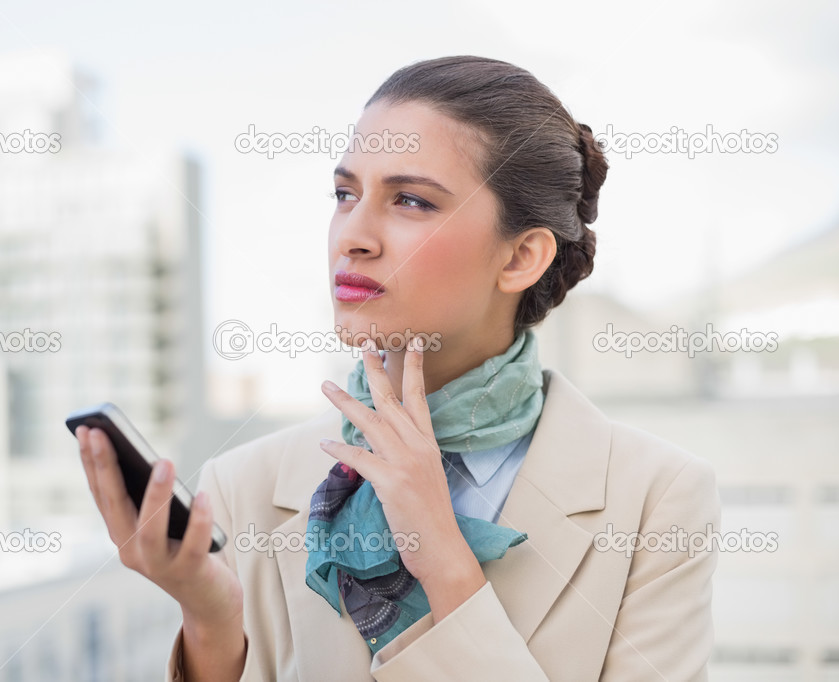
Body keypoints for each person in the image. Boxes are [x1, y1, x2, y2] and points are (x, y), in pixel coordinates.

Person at [75, 55, 720, 681]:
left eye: (410, 200)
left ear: (522, 256)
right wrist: (212, 624)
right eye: (344, 192)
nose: (353, 234)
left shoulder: (656, 500)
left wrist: (443, 556)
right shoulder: (245, 486)